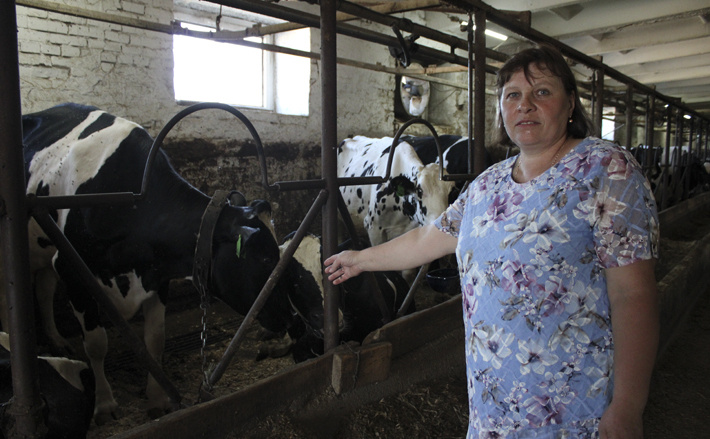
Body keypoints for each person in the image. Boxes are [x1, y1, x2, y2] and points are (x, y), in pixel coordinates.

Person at [325, 44, 659, 439]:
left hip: (574, 407)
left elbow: (633, 295)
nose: (525, 105)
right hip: (492, 404)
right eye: (512, 95)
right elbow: (430, 237)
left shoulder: (607, 169)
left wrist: (627, 406)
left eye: (542, 92)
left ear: (570, 104)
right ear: (501, 108)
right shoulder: (489, 183)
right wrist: (362, 258)